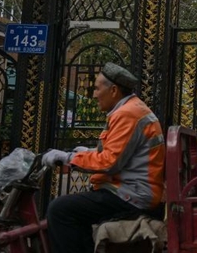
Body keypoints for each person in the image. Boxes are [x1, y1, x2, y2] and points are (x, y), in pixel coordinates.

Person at [41, 62, 165, 253]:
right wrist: (85, 153)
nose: (94, 94)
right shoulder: (131, 110)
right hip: (132, 191)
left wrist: (68, 158)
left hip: (131, 195)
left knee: (59, 210)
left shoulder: (127, 114)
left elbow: (109, 162)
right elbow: (115, 152)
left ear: (114, 90)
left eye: (97, 88)